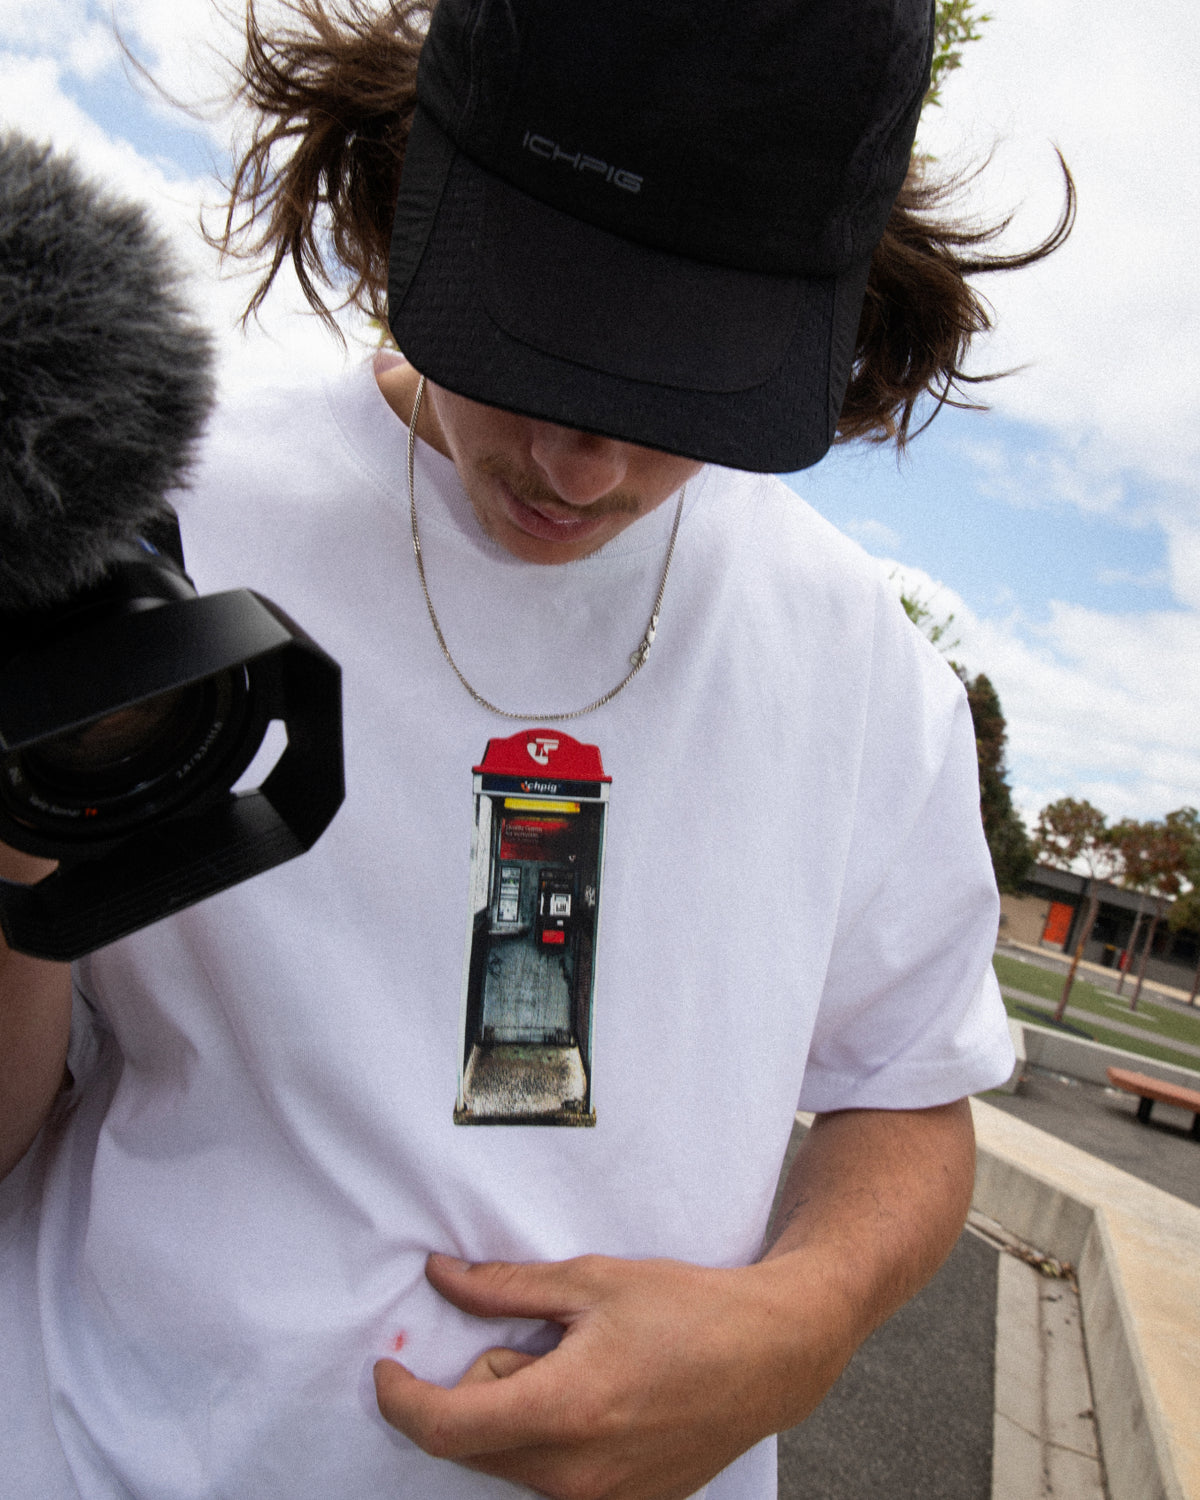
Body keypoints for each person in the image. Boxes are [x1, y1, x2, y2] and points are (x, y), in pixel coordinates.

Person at [0, 1, 1072, 1496]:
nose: (583, 466)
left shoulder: (867, 675)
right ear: (411, 195)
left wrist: (800, 1323)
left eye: (676, 384)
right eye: (537, 342)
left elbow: (910, 1092)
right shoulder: (133, 520)